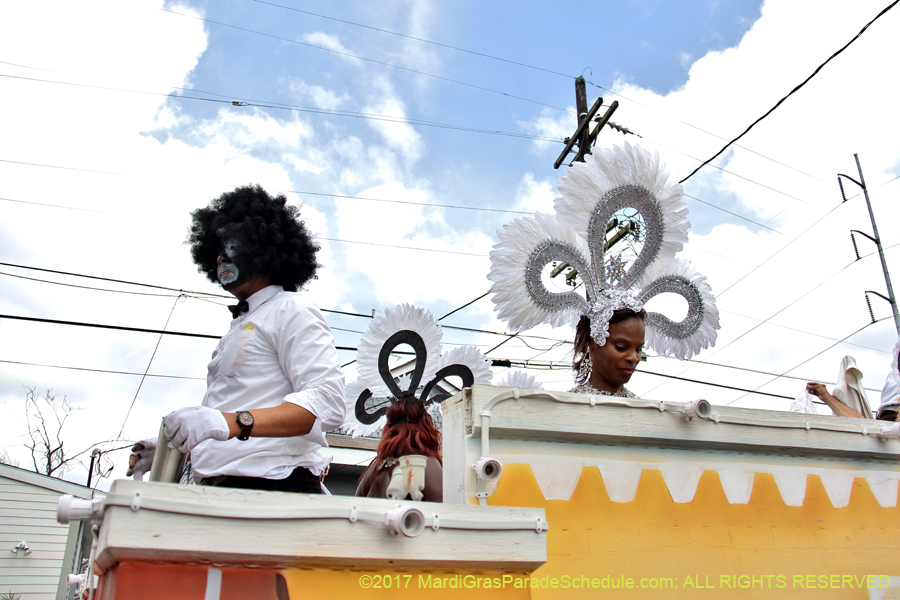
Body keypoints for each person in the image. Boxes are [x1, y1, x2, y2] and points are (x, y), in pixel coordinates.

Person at [127, 184, 345, 493]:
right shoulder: (242, 323)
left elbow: (328, 402)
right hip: (224, 489)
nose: (220, 259)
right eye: (216, 251)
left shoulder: (291, 310)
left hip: (274, 488)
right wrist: (172, 445)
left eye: (231, 247)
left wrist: (227, 422)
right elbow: (232, 421)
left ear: (264, 248)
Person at [355, 397, 443, 502]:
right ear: (427, 428)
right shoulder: (427, 464)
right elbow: (442, 512)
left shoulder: (376, 466)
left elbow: (356, 506)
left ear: (390, 428)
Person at [570, 310, 645, 397]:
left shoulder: (645, 409)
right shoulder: (567, 405)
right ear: (590, 342)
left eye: (638, 349)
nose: (634, 358)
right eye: (621, 347)